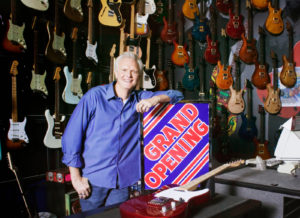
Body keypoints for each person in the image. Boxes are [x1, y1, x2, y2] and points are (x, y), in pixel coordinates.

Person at [61, 51, 184, 212]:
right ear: (116, 73)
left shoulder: (141, 97)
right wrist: (75, 178)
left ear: (139, 75)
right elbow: (71, 136)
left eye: (133, 71)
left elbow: (177, 95)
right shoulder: (94, 97)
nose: (128, 75)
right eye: (124, 70)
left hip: (123, 181)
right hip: (93, 179)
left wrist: (155, 99)